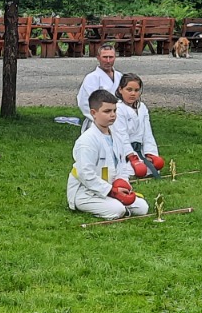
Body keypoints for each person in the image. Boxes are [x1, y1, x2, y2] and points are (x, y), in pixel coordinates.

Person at [69, 89, 150, 220]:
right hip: (86, 192)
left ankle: (118, 205)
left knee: (142, 207)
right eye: (107, 111)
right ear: (93, 113)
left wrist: (122, 184)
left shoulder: (116, 136)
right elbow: (85, 174)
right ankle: (116, 207)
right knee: (117, 210)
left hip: (112, 188)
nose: (112, 115)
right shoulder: (87, 141)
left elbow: (122, 165)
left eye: (114, 111)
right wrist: (111, 191)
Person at [111, 73, 163, 180]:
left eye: (136, 90)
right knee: (135, 170)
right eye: (129, 90)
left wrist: (150, 153)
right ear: (120, 90)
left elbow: (147, 133)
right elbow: (121, 136)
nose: (133, 94)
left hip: (140, 150)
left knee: (156, 166)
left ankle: (142, 160)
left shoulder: (142, 107)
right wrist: (131, 157)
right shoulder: (118, 109)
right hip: (123, 151)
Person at [75, 42, 123, 125]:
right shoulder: (92, 78)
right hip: (98, 121)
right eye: (105, 57)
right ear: (98, 58)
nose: (108, 61)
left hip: (119, 119)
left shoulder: (120, 76)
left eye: (111, 57)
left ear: (115, 58)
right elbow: (84, 102)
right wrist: (99, 119)